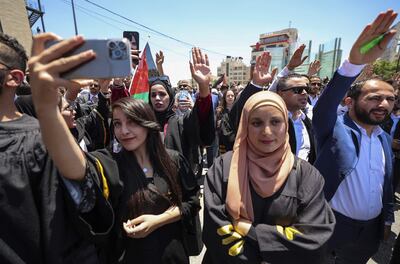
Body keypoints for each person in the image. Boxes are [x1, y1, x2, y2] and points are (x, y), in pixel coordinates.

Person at [28, 33, 200, 264]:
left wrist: (158, 220)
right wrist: (48, 107)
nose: (124, 131)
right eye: (117, 123)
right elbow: (76, 167)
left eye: (132, 122)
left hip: (172, 255)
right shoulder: (110, 163)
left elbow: (191, 202)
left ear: (148, 124)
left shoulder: (174, 160)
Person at [0, 32, 114, 264]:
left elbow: (81, 208)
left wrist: (49, 110)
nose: (71, 111)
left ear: (14, 77)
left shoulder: (38, 142)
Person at [202, 90, 335, 264]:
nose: (266, 131)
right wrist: (269, 247)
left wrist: (247, 230)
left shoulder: (306, 175)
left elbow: (314, 237)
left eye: (275, 122)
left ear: (286, 125)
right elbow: (215, 231)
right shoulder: (223, 168)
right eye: (256, 123)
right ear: (245, 126)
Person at [311, 10, 398, 263]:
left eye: (390, 99)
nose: (384, 104)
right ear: (349, 102)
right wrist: (353, 64)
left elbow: (386, 184)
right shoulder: (335, 128)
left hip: (369, 234)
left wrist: (387, 220)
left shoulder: (383, 137)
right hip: (333, 229)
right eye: (374, 98)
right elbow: (324, 107)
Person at [148, 48, 215, 182]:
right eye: (153, 95)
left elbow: (200, 118)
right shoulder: (144, 123)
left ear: (171, 97)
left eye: (162, 94)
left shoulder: (180, 122)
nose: (157, 98)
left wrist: (203, 87)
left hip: (178, 184)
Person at [276, 74, 317, 164]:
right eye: (298, 90)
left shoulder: (308, 123)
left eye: (306, 89)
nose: (304, 93)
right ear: (281, 94)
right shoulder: (271, 122)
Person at [216, 89, 236, 154]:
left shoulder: (238, 110)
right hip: (224, 141)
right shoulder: (220, 111)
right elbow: (217, 126)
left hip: (236, 141)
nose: (230, 97)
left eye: (232, 96)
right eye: (228, 96)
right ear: (224, 98)